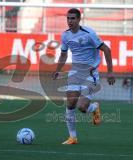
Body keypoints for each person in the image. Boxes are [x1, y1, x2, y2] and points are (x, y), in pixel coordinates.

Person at [52, 8, 115, 145]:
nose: (70, 21)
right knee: (70, 104)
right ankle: (72, 137)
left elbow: (106, 50)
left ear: (79, 20)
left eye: (73, 18)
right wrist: (57, 70)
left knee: (82, 107)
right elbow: (63, 54)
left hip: (90, 73)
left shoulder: (89, 34)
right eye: (68, 18)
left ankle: (94, 108)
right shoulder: (65, 35)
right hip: (75, 72)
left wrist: (110, 72)